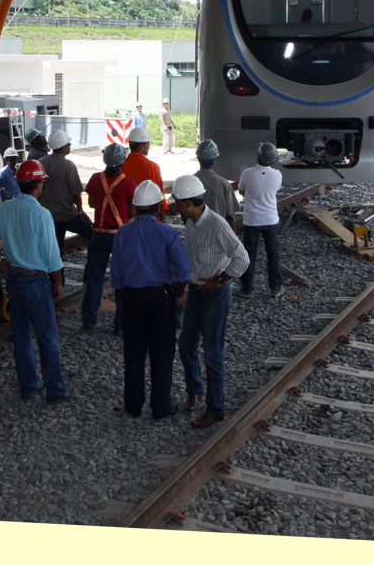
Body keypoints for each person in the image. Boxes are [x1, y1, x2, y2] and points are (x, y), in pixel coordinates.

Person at [0, 159, 67, 402]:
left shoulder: (6, 208)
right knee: (47, 336)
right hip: (36, 281)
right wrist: (58, 283)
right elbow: (51, 256)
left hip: (14, 279)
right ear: (38, 185)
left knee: (22, 335)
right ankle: (55, 390)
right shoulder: (41, 214)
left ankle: (28, 387)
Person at [172, 174, 250, 428]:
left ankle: (216, 408)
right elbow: (190, 258)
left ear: (187, 203)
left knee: (212, 353)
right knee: (186, 345)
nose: (175, 206)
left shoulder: (216, 224)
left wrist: (222, 280)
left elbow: (242, 258)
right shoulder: (192, 223)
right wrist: (184, 287)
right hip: (195, 292)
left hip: (215, 295)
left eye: (177, 202)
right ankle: (195, 391)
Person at [110, 180, 191, 419]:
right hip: (160, 299)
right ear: (158, 208)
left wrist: (122, 294)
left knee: (133, 354)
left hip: (131, 299)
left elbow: (116, 272)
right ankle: (160, 406)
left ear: (135, 208)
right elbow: (184, 271)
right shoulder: (167, 232)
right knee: (162, 353)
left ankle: (133, 405)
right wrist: (178, 292)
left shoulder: (124, 232)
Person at [81, 143, 137, 332]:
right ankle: (120, 324)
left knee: (94, 277)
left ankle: (89, 319)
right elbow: (131, 210)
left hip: (98, 233)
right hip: (119, 235)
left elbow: (91, 202)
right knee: (121, 279)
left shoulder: (96, 179)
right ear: (122, 162)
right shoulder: (129, 184)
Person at [39, 130, 91, 269]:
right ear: (62, 147)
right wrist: (80, 210)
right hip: (67, 215)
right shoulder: (68, 165)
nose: (70, 145)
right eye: (68, 143)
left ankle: (57, 282)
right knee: (93, 234)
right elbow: (76, 193)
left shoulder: (40, 163)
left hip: (48, 216)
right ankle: (93, 265)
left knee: (56, 251)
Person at [238, 142, 284, 298]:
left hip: (251, 220)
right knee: (273, 254)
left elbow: (242, 190)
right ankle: (275, 287)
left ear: (257, 157)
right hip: (271, 219)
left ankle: (247, 288)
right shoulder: (277, 175)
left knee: (249, 255)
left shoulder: (247, 173)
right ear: (273, 159)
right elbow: (275, 190)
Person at [194, 139, 240, 228]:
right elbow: (230, 216)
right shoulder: (224, 184)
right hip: (218, 232)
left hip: (196, 233)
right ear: (214, 160)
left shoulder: (191, 181)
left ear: (198, 158)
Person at [122, 125, 166, 217]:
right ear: (142, 146)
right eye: (148, 143)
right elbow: (159, 193)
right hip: (148, 217)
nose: (149, 146)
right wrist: (163, 212)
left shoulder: (122, 165)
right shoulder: (152, 167)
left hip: (127, 216)